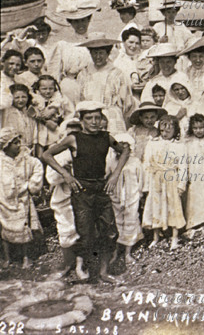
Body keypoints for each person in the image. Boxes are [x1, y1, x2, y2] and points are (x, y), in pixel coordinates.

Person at [41, 101, 131, 282]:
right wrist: (66, 175)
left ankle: (104, 272)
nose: (94, 122)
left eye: (98, 118)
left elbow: (125, 150)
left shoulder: (106, 137)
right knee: (85, 231)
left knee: (110, 231)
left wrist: (114, 176)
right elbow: (46, 155)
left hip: (101, 188)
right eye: (89, 118)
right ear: (82, 120)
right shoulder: (73, 138)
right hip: (81, 189)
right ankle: (81, 267)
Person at [45, 118, 84, 278]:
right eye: (70, 131)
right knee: (65, 231)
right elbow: (50, 178)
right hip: (63, 197)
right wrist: (63, 173)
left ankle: (81, 266)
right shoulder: (58, 153)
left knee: (82, 230)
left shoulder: (85, 148)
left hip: (82, 195)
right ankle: (69, 264)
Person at [141, 115, 186, 250]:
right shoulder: (153, 143)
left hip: (171, 178)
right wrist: (146, 185)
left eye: (168, 131)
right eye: (162, 131)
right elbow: (147, 163)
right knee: (155, 205)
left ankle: (175, 237)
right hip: (156, 178)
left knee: (173, 206)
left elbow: (183, 166)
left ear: (175, 131)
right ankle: (156, 236)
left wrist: (181, 184)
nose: (165, 134)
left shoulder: (179, 146)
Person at [0, 129, 43, 269]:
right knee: (5, 229)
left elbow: (37, 167)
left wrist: (32, 185)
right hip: (4, 200)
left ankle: (26, 257)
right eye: (15, 143)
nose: (19, 145)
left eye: (19, 142)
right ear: (6, 146)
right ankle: (7, 258)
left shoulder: (26, 160)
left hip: (22, 199)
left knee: (24, 228)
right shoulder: (1, 161)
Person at [77, 35, 135, 135]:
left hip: (112, 116)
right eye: (94, 53)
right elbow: (79, 98)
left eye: (101, 53)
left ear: (107, 54)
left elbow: (127, 102)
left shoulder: (117, 74)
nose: (98, 57)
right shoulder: (84, 74)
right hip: (90, 117)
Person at [106, 133, 142, 266]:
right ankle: (116, 251)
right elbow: (106, 175)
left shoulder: (135, 162)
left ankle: (128, 252)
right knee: (117, 221)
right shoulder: (111, 161)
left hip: (131, 195)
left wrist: (140, 193)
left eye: (124, 145)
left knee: (131, 220)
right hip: (116, 196)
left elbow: (141, 179)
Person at [183, 114, 204, 238]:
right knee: (193, 197)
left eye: (201, 128)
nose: (198, 131)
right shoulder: (188, 141)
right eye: (195, 128)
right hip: (194, 173)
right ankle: (194, 224)